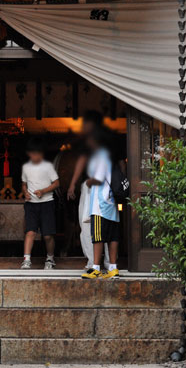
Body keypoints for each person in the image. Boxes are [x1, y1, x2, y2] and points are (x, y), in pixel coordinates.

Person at [66, 110, 109, 270]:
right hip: (90, 186)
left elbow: (119, 163)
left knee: (104, 224)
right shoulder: (88, 142)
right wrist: (72, 184)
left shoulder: (106, 141)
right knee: (87, 225)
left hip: (103, 185)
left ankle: (106, 262)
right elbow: (81, 162)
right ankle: (94, 261)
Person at [81, 126, 120, 279]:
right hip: (112, 204)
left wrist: (89, 182)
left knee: (97, 237)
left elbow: (98, 178)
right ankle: (113, 268)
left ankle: (96, 268)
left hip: (100, 205)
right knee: (113, 237)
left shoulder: (100, 155)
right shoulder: (111, 156)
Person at [21, 137, 60, 270]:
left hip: (47, 203)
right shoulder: (26, 167)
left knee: (47, 235)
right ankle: (26, 260)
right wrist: (25, 192)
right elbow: (24, 184)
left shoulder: (48, 167)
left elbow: (56, 183)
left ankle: (50, 258)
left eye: (37, 153)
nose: (34, 156)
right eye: (32, 153)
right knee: (30, 232)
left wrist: (43, 191)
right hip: (31, 204)